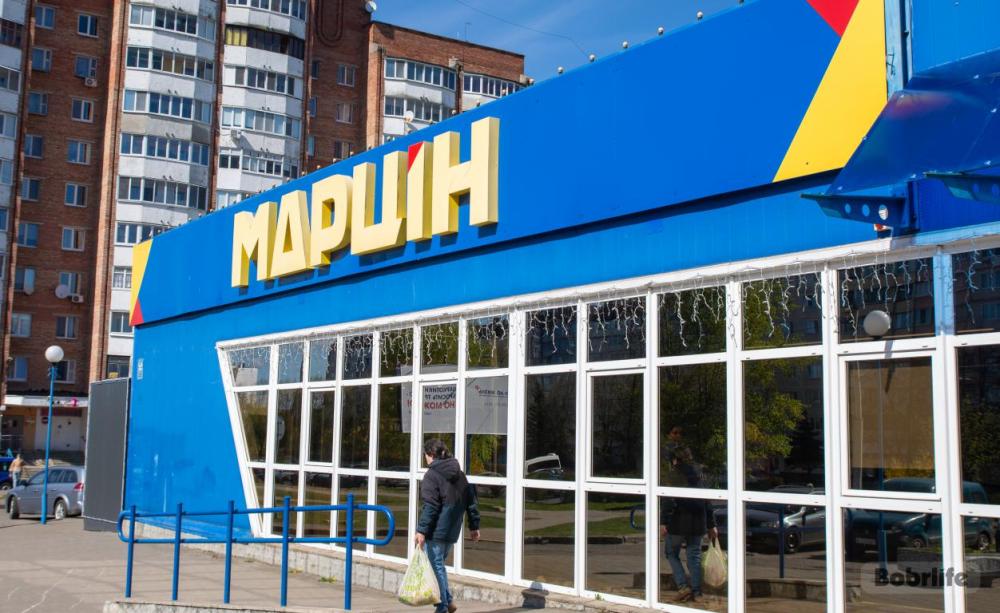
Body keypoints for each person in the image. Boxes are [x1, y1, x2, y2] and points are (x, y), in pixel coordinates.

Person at [415, 439, 481, 613]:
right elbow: (471, 502)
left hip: (436, 530)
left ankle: (442, 606)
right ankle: (448, 601)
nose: (425, 458)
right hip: (452, 529)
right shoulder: (460, 474)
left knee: (435, 567)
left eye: (425, 454)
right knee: (439, 566)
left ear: (430, 454)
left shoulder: (431, 476)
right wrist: (474, 526)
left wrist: (421, 530)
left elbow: (430, 506)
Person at [660, 452, 718, 603]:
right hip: (698, 523)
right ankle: (697, 592)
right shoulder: (698, 475)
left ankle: (683, 587)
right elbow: (707, 502)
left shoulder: (674, 476)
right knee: (694, 556)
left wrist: (664, 522)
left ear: (674, 460)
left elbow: (668, 500)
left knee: (671, 553)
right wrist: (711, 525)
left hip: (678, 522)